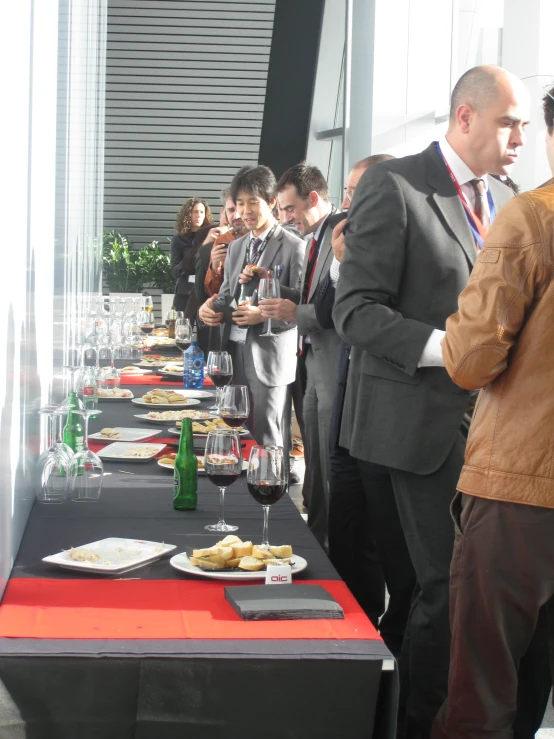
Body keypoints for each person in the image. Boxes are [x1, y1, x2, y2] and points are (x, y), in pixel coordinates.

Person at [333, 65, 527, 738]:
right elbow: (355, 309)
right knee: (446, 592)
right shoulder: (398, 185)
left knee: (452, 595)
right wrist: (449, 348)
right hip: (416, 427)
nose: (521, 137)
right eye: (509, 121)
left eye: (527, 124)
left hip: (498, 434)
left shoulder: (509, 198)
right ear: (466, 117)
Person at [432, 87, 554, 739]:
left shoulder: (532, 216)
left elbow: (470, 359)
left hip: (520, 489)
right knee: (533, 696)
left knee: (479, 697)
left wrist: (459, 321)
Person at [313, 154, 415, 646]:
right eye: (350, 193)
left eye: (360, 193)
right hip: (347, 417)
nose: (351, 204)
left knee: (390, 547)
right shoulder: (345, 245)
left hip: (385, 421)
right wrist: (339, 263)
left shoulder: (400, 245)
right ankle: (350, 634)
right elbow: (334, 312)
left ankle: (388, 648)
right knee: (348, 535)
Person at [198, 165, 304, 449]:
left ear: (271, 203)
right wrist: (207, 309)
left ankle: (274, 491)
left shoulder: (294, 246)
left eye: (253, 203)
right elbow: (226, 295)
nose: (245, 211)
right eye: (240, 204)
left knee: (270, 436)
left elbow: (303, 306)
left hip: (269, 356)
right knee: (237, 431)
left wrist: (263, 315)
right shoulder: (236, 246)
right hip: (234, 352)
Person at [259, 163, 337, 546]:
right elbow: (313, 298)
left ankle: (324, 550)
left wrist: (296, 312)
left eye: (290, 209)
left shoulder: (338, 237)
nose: (286, 218)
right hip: (310, 364)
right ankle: (316, 540)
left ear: (314, 199)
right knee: (316, 471)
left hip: (330, 367)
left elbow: (338, 308)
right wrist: (285, 296)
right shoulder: (316, 239)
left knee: (327, 471)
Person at [170, 197, 214, 312]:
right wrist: (187, 264)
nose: (199, 215)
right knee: (180, 327)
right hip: (184, 292)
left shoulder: (211, 237)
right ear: (187, 214)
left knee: (205, 328)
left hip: (205, 292)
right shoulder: (178, 239)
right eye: (195, 212)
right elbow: (174, 271)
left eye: (201, 212)